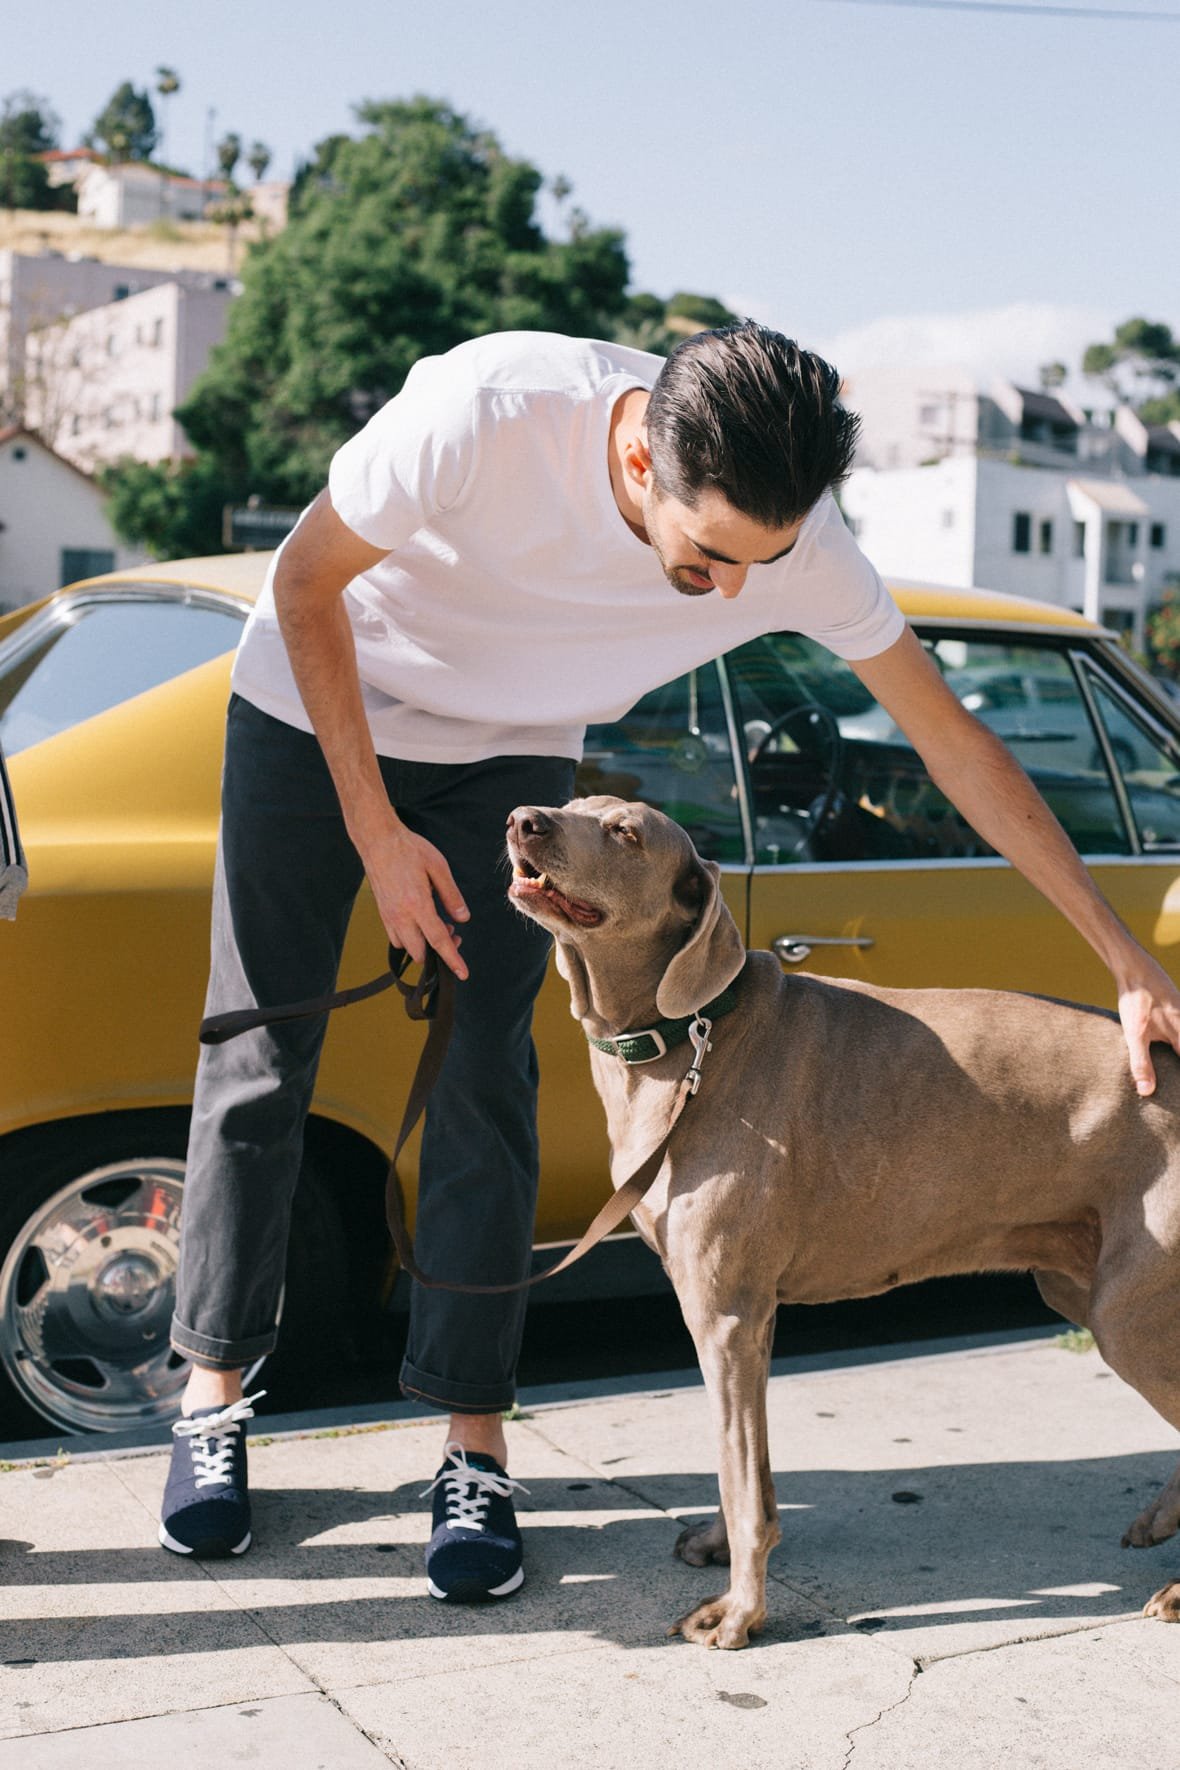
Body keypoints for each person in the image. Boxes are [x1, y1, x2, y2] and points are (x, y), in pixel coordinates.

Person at [158, 322, 1180, 1599]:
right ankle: (212, 1397)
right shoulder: (487, 412)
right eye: (705, 563)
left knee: (486, 1078)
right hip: (313, 705)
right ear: (637, 458)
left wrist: (1124, 960)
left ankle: (473, 1444)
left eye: (763, 563)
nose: (737, 593)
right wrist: (376, 829)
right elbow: (306, 581)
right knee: (262, 1053)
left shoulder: (794, 545)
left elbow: (956, 747)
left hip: (515, 752)